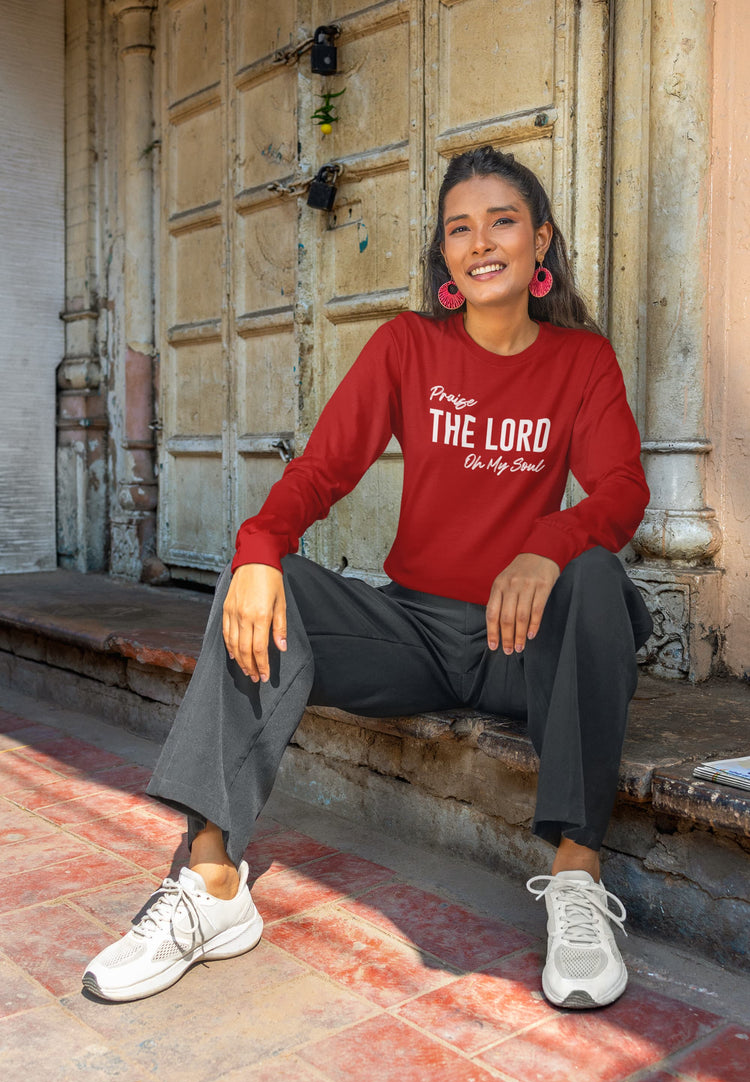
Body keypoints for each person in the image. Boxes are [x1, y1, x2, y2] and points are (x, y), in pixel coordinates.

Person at [83, 146, 652, 1009]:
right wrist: (258, 546)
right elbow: (323, 469)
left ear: (541, 241)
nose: (481, 242)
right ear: (444, 254)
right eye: (459, 228)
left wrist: (549, 544)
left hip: (522, 644)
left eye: (502, 221)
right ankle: (212, 882)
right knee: (260, 580)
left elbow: (620, 491)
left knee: (598, 577)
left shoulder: (582, 360)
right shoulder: (407, 346)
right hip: (413, 634)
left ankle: (576, 877)